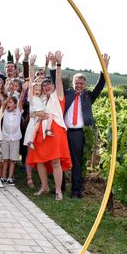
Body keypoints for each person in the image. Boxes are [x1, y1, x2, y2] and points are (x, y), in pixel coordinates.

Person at [27, 51, 72, 201]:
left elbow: (58, 80)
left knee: (55, 161)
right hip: (40, 130)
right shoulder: (41, 99)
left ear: (53, 86)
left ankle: (58, 190)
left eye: (48, 84)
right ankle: (44, 186)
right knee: (39, 159)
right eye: (44, 85)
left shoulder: (58, 97)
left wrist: (58, 64)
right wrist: (31, 66)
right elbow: (32, 88)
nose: (46, 87)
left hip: (56, 130)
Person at [64, 53, 110, 198]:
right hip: (64, 131)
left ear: (85, 85)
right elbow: (55, 82)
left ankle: (76, 191)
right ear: (73, 83)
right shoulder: (67, 94)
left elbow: (100, 86)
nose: (78, 85)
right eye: (76, 83)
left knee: (77, 162)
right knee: (62, 160)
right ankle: (59, 187)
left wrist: (104, 69)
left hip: (78, 133)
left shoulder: (88, 96)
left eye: (81, 83)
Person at [1, 86, 27, 184]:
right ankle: (3, 176)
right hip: (5, 138)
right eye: (8, 102)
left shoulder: (18, 111)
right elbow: (4, 103)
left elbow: (20, 101)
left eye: (11, 102)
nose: (8, 104)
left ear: (15, 105)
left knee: (12, 160)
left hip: (15, 138)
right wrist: (10, 94)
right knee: (5, 159)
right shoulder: (4, 112)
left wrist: (23, 90)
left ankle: (10, 177)